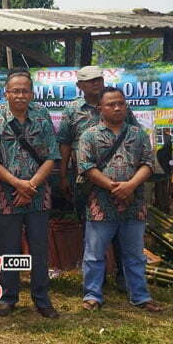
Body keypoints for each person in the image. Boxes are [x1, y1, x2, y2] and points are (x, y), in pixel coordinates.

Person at [0, 69, 60, 319]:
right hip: (6, 194)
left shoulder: (42, 120)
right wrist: (17, 184)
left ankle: (42, 299)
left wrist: (30, 186)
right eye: (15, 91)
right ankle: (8, 297)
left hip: (38, 193)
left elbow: (52, 157)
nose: (20, 95)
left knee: (39, 248)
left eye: (25, 91)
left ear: (32, 94)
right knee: (9, 248)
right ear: (6, 93)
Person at [77, 87, 161, 312]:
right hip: (100, 204)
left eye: (121, 103)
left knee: (135, 254)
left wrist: (130, 185)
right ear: (100, 108)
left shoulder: (138, 134)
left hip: (134, 203)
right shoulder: (89, 135)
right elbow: (86, 167)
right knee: (94, 254)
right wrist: (114, 187)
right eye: (111, 104)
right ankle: (92, 295)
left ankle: (140, 296)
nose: (117, 108)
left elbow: (148, 163)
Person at [58, 65, 137, 290]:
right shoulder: (72, 110)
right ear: (79, 86)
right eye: (90, 80)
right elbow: (65, 143)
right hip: (86, 180)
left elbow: (135, 137)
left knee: (122, 227)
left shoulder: (119, 107)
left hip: (120, 179)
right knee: (91, 229)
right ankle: (96, 281)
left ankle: (124, 277)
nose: (96, 83)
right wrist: (63, 175)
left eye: (99, 79)